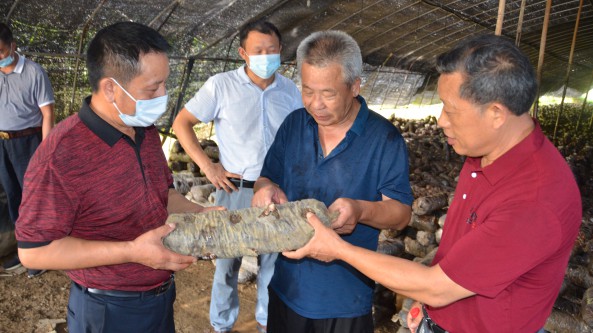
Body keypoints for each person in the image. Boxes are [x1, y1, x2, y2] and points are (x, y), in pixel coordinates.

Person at [283, 34, 582, 333]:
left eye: (450, 110)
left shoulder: (534, 200)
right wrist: (429, 307)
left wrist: (338, 249)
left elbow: (438, 286)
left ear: (495, 114)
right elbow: (455, 255)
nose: (441, 121)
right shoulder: (483, 152)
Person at [15, 22, 222, 333]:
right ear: (111, 88)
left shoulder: (145, 131)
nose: (163, 95)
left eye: (165, 83)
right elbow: (34, 251)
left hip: (160, 295)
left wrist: (200, 214)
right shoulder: (61, 155)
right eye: (153, 88)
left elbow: (162, 194)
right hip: (109, 310)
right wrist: (131, 251)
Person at [251, 30, 414, 333]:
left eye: (328, 93)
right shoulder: (294, 125)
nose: (316, 104)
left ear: (354, 86)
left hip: (345, 299)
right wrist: (265, 190)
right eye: (308, 91)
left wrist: (360, 210)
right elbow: (266, 178)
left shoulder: (384, 138)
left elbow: (401, 213)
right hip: (287, 288)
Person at [172, 20, 302, 333]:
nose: (265, 56)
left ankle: (267, 323)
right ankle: (221, 324)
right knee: (226, 265)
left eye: (271, 50)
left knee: (273, 261)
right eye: (258, 50)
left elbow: (299, 136)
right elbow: (182, 123)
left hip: (277, 191)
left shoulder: (290, 91)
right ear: (243, 53)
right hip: (235, 189)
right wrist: (208, 166)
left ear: (281, 51)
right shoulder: (221, 85)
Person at [0, 22, 54, 278]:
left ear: (13, 45)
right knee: (13, 196)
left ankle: (41, 253)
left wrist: (45, 151)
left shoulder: (34, 72)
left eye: (1, 50)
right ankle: (23, 250)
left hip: (28, 143)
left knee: (34, 198)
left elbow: (47, 113)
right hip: (2, 143)